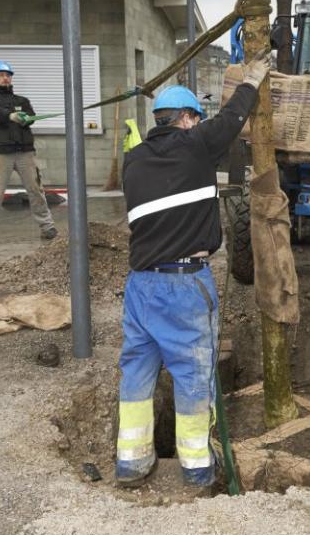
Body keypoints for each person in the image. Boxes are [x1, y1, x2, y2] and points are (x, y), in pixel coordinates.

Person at [114, 55, 267, 488]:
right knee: (192, 372)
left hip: (140, 285)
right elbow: (233, 117)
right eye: (195, 118)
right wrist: (253, 77)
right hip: (185, 283)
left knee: (138, 369)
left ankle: (131, 460)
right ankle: (197, 465)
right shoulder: (196, 144)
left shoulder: (135, 160)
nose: (199, 125)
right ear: (185, 119)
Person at [0, 61, 56, 248]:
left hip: (25, 152)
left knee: (36, 190)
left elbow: (30, 116)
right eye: (0, 75)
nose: (5, 78)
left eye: (7, 75)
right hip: (0, 153)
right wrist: (10, 116)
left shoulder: (22, 101)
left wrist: (25, 119)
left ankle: (47, 227)